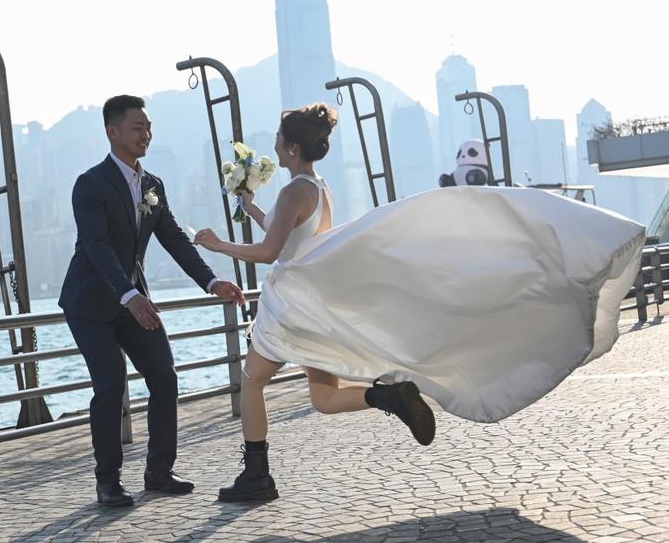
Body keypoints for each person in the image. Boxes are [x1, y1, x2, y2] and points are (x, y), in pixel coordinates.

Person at [195, 103, 643, 502]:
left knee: (252, 383)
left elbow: (273, 252)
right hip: (310, 306)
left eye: (278, 140)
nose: (274, 145)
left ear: (291, 147)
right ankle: (389, 395)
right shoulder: (315, 187)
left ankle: (256, 476)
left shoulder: (294, 191)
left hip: (288, 305)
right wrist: (251, 207)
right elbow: (294, 235)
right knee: (324, 399)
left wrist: (220, 245)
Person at [59, 94, 246, 508]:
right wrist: (129, 295)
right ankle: (108, 481)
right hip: (90, 303)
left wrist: (212, 281)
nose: (146, 134)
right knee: (111, 385)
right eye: (137, 128)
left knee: (164, 376)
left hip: (132, 298)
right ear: (112, 132)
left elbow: (174, 238)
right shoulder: (89, 185)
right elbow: (96, 246)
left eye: (148, 127)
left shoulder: (152, 185)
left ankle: (158, 472)